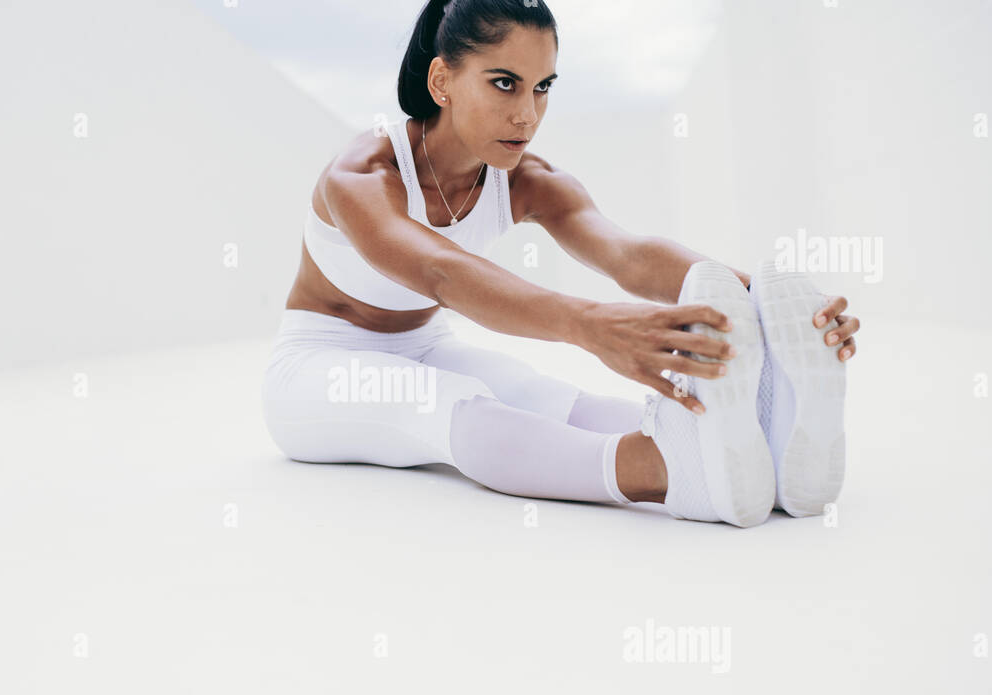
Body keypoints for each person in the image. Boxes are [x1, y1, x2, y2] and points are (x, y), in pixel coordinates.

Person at [262, 0, 860, 528]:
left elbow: (624, 252)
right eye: (504, 83)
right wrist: (588, 325)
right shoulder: (364, 175)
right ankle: (666, 471)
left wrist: (767, 302)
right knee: (454, 407)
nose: (527, 113)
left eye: (542, 86)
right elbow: (441, 274)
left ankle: (761, 447)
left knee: (552, 398)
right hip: (319, 364)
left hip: (424, 343)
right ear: (442, 80)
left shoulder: (528, 180)